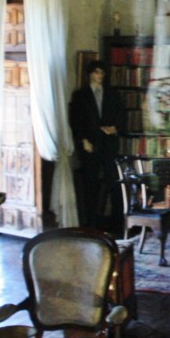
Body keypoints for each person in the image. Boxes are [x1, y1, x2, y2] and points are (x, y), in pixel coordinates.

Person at [69, 59, 126, 229]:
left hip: (109, 143)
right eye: (96, 72)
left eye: (102, 72)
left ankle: (117, 220)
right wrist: (83, 140)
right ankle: (91, 221)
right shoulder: (80, 95)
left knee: (113, 181)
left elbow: (122, 114)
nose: (100, 76)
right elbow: (75, 120)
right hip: (90, 144)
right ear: (90, 74)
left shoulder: (112, 94)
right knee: (90, 183)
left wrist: (115, 128)